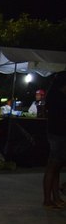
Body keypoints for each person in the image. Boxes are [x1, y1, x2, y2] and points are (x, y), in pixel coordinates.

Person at [42, 71, 66, 209]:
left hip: (55, 134)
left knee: (56, 168)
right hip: (58, 135)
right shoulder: (59, 98)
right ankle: (47, 199)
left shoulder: (53, 95)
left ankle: (55, 198)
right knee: (53, 167)